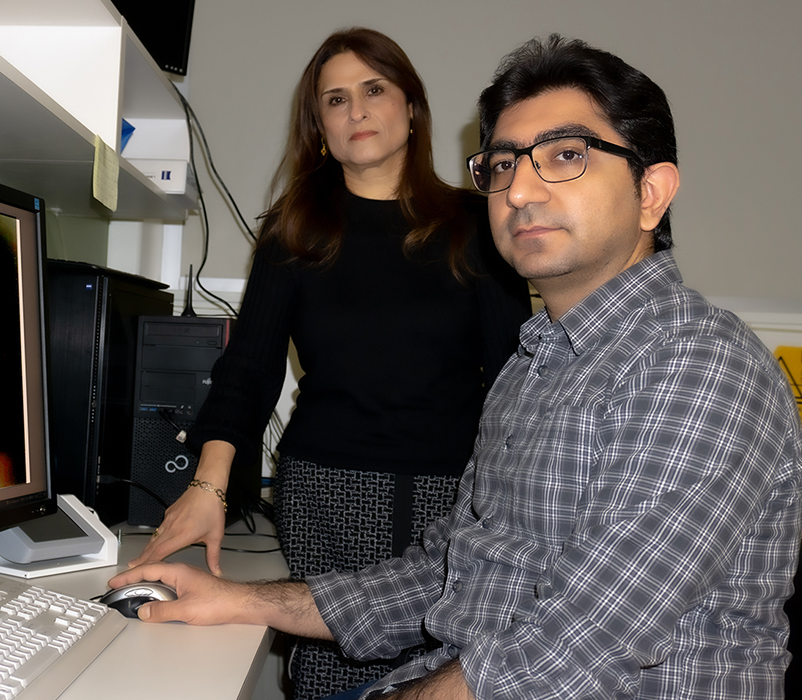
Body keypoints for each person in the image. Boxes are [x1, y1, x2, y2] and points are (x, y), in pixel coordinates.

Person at [111, 34, 802, 700]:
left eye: (566, 155)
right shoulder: (534, 372)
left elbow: (579, 647)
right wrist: (239, 598)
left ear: (651, 192)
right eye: (503, 164)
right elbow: (445, 577)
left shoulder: (700, 368)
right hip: (371, 548)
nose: (522, 191)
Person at [128, 27, 530, 699]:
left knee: (442, 673)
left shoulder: (475, 224)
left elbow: (518, 379)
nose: (357, 112)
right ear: (320, 125)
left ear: (411, 107)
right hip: (327, 494)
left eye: (374, 90)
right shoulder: (295, 229)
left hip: (455, 497)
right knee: (332, 670)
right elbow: (248, 372)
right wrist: (209, 485)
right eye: (335, 100)